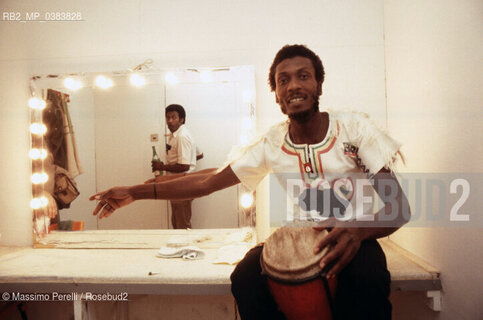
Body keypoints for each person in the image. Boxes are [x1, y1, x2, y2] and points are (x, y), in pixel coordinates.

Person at [90, 44, 410, 319]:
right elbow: (207, 181)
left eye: (303, 75)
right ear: (276, 95)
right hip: (302, 238)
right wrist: (134, 191)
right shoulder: (272, 143)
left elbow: (398, 208)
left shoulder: (355, 130)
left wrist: (357, 230)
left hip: (359, 237)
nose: (293, 85)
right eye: (283, 80)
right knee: (245, 276)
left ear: (319, 85)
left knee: (368, 278)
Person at [151, 104, 198, 229]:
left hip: (183, 185)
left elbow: (184, 166)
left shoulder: (182, 136)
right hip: (178, 184)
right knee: (177, 222)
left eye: (174, 117)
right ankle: (181, 248)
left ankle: (186, 248)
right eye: (167, 117)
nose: (170, 121)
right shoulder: (178, 135)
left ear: (181, 119)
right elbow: (199, 154)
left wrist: (162, 167)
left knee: (182, 224)